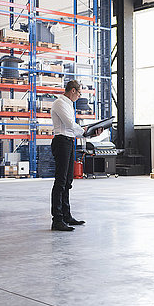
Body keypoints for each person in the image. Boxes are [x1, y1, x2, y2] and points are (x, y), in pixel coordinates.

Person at [50, 80, 101, 231]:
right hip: (61, 142)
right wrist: (85, 131)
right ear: (72, 90)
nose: (79, 96)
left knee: (68, 181)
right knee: (60, 181)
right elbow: (70, 125)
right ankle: (57, 219)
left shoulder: (69, 104)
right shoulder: (60, 103)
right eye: (79, 93)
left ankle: (66, 215)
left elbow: (73, 129)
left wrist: (90, 132)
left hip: (69, 142)